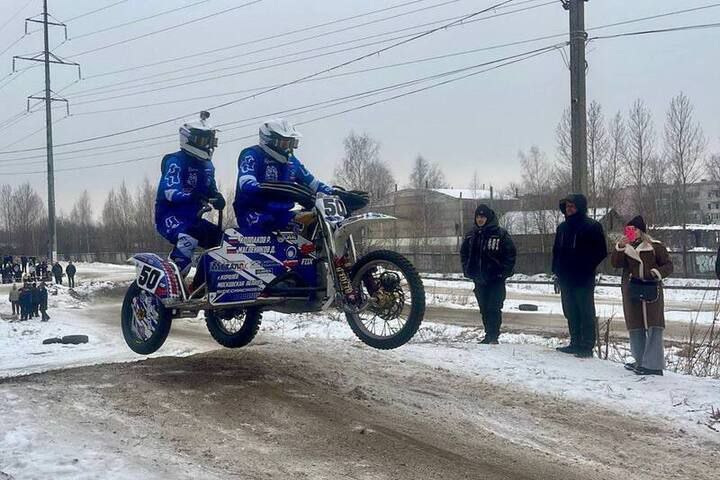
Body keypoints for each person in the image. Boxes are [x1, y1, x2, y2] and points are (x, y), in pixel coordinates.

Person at [233, 118, 334, 236]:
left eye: (291, 143)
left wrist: (336, 194)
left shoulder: (292, 161)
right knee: (268, 226)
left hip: (282, 213)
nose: (287, 148)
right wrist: (276, 189)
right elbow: (246, 184)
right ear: (269, 140)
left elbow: (314, 184)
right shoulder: (252, 155)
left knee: (314, 223)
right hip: (253, 213)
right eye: (284, 143)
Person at [155, 112, 224, 280]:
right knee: (188, 239)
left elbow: (210, 189)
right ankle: (170, 280)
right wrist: (191, 196)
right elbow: (169, 191)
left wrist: (217, 197)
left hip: (194, 218)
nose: (208, 146)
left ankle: (205, 284)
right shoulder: (175, 161)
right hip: (170, 215)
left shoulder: (208, 166)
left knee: (226, 242)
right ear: (189, 139)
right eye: (203, 141)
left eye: (210, 141)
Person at [611, 216, 672, 376]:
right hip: (631, 289)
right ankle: (640, 361)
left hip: (651, 289)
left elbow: (668, 265)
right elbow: (615, 264)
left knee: (653, 325)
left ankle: (653, 365)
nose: (631, 232)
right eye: (628, 229)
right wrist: (620, 247)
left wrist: (655, 273)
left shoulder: (654, 247)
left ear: (641, 230)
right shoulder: (626, 247)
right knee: (635, 325)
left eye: (634, 229)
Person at [552, 193, 608, 358]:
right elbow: (556, 252)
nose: (569, 209)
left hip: (583, 277)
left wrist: (586, 266)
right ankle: (575, 342)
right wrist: (556, 271)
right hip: (565, 277)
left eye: (572, 206)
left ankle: (586, 345)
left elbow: (601, 252)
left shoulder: (591, 226)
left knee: (585, 311)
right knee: (570, 310)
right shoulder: (562, 228)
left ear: (580, 207)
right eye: (567, 206)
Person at [460, 204, 517, 344]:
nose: (480, 219)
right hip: (479, 279)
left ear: (489, 218)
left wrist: (503, 272)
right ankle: (488, 334)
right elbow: (464, 254)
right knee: (484, 308)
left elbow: (510, 254)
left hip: (495, 279)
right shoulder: (471, 236)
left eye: (483, 217)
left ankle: (493, 336)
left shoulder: (500, 234)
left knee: (494, 308)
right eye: (478, 217)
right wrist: (468, 270)